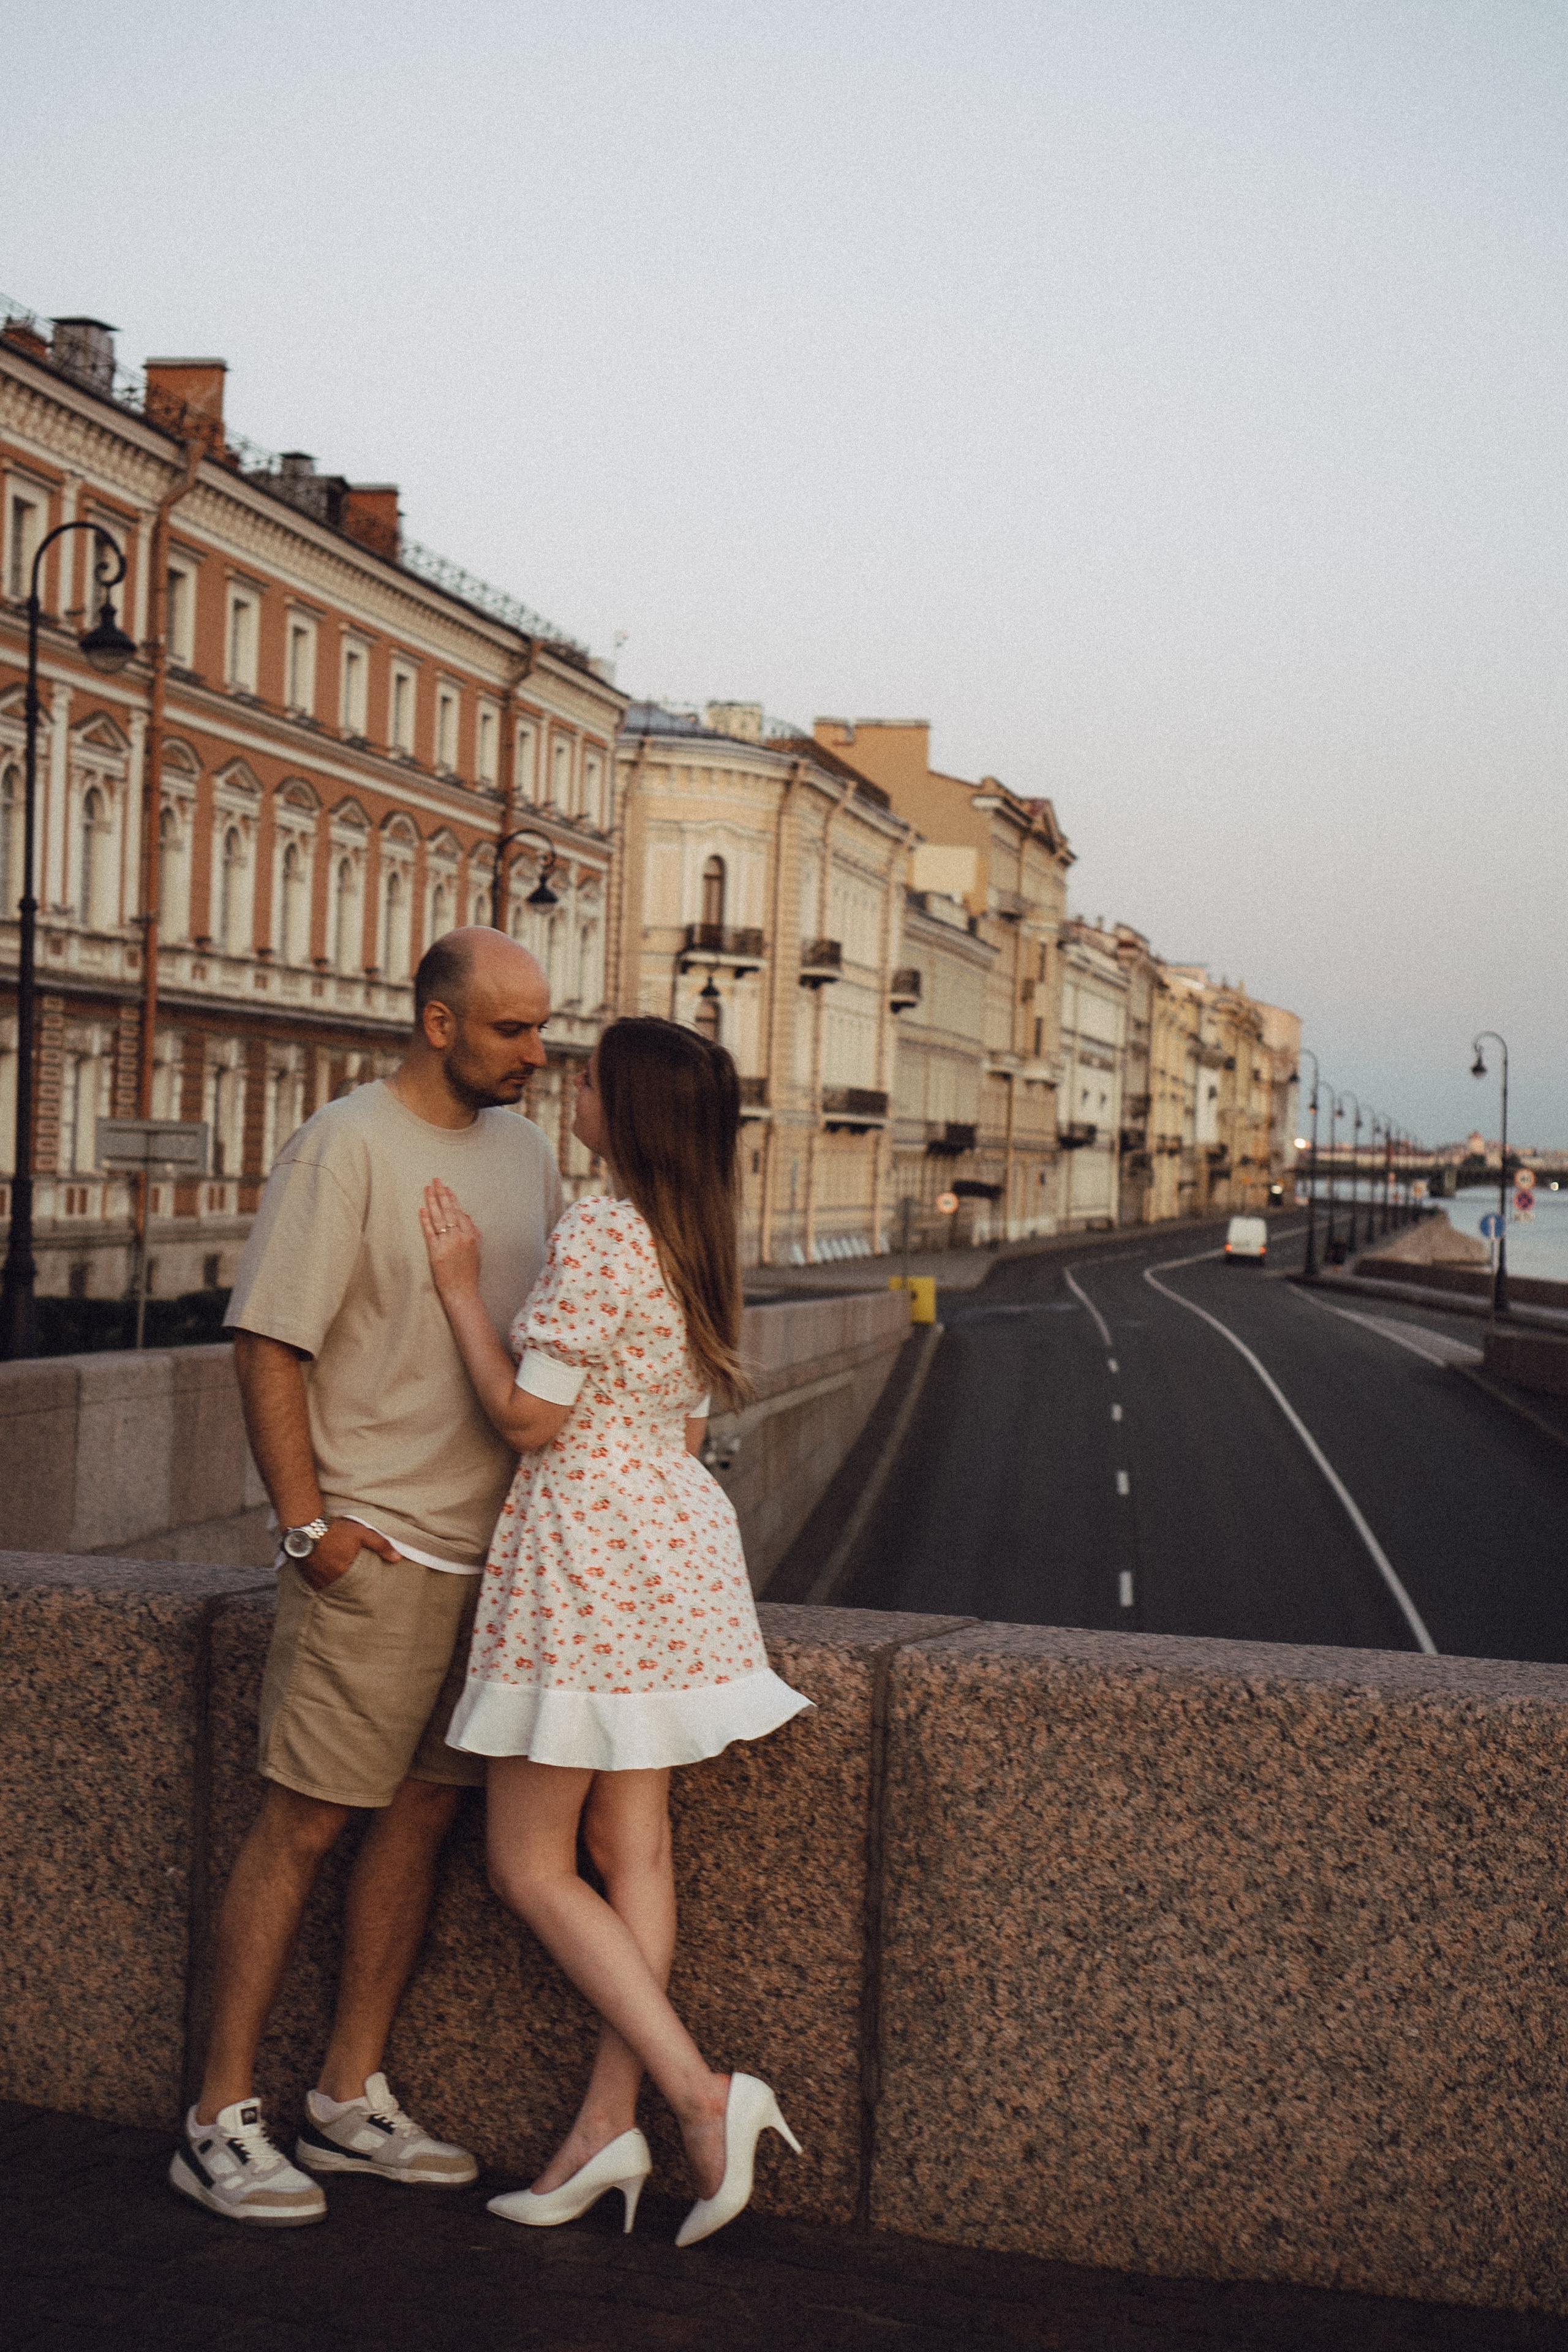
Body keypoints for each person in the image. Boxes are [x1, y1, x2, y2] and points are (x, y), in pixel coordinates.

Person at [170, 929, 562, 2227]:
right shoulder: (346, 1145)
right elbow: (267, 1341)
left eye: (541, 1026)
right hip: (375, 1550)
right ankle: (218, 2120)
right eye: (511, 1029)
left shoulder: (527, 1151)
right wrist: (306, 1527)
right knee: (305, 1823)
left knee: (417, 1823)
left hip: (490, 1554)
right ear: (438, 1025)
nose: (536, 1050)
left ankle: (346, 2100)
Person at [418, 1015, 809, 2247]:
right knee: (629, 1844)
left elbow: (530, 1420)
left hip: (585, 1553)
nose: (569, 1088)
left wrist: (456, 1294)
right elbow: (684, 1427)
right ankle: (603, 2128)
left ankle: (700, 2095)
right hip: (673, 1548)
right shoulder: (696, 1232)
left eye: (586, 1078)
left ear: (624, 1108)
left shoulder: (599, 1226)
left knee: (527, 1864)